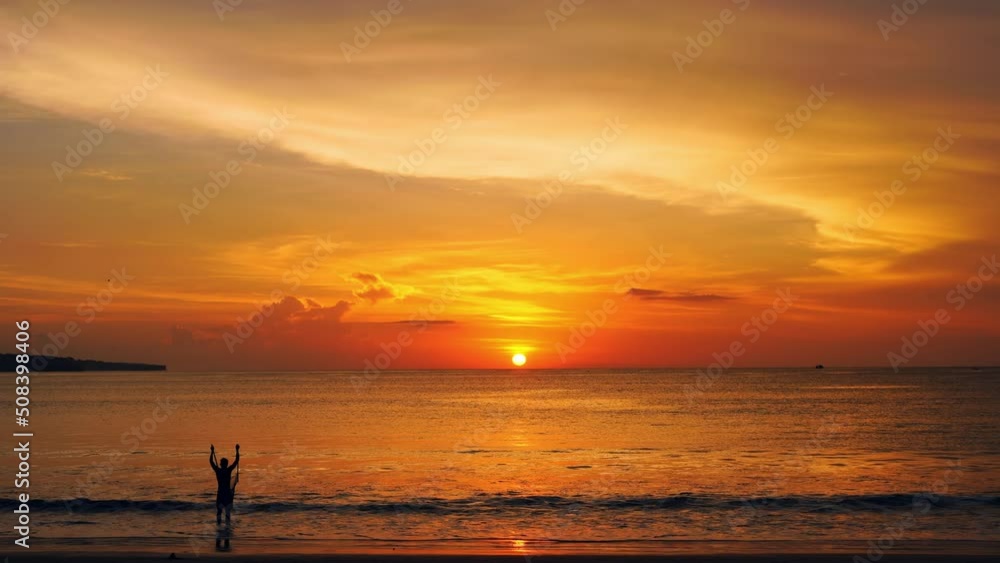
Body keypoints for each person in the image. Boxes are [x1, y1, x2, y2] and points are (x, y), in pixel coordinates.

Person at [210, 444, 240, 524]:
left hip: (220, 493)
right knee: (227, 511)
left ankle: (218, 524)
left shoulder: (218, 471)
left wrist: (212, 452)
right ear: (226, 464)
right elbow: (236, 461)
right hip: (227, 494)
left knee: (219, 511)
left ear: (221, 464)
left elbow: (211, 462)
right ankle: (227, 526)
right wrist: (237, 450)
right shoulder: (228, 470)